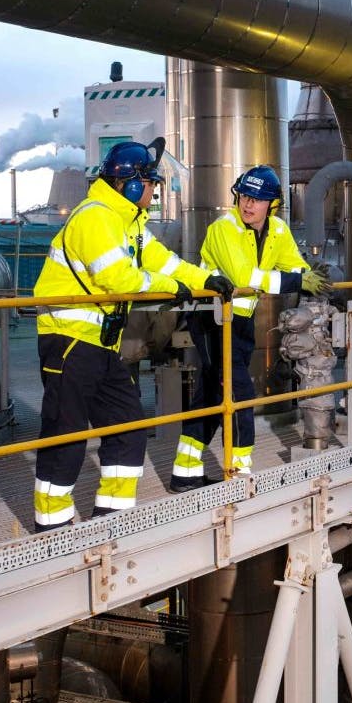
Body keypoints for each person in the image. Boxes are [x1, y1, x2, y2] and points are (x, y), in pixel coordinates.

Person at [32, 138, 236, 532]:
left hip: (101, 343)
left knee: (127, 425)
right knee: (66, 430)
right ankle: (51, 525)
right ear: (130, 184)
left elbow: (168, 262)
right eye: (151, 184)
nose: (154, 192)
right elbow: (117, 279)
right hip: (67, 339)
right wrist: (169, 288)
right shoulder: (95, 217)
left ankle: (113, 517)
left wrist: (206, 280)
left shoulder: (130, 224)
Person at [171, 164, 329, 490]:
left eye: (256, 199)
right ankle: (239, 472)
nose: (247, 204)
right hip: (211, 318)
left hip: (240, 319)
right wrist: (298, 280)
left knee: (211, 394)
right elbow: (245, 278)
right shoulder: (223, 228)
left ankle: (184, 471)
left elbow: (294, 265)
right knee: (239, 393)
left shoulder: (278, 230)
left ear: (272, 204)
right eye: (244, 196)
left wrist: (312, 278)